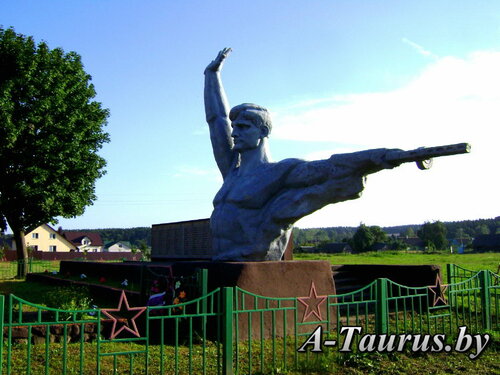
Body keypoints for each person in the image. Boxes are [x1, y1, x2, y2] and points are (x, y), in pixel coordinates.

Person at [204, 48, 400, 261]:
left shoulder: (281, 172)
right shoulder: (232, 171)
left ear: (263, 132)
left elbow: (328, 168)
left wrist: (378, 157)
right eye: (235, 127)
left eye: (243, 127)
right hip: (222, 263)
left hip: (252, 261)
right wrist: (211, 76)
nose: (235, 133)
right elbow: (217, 121)